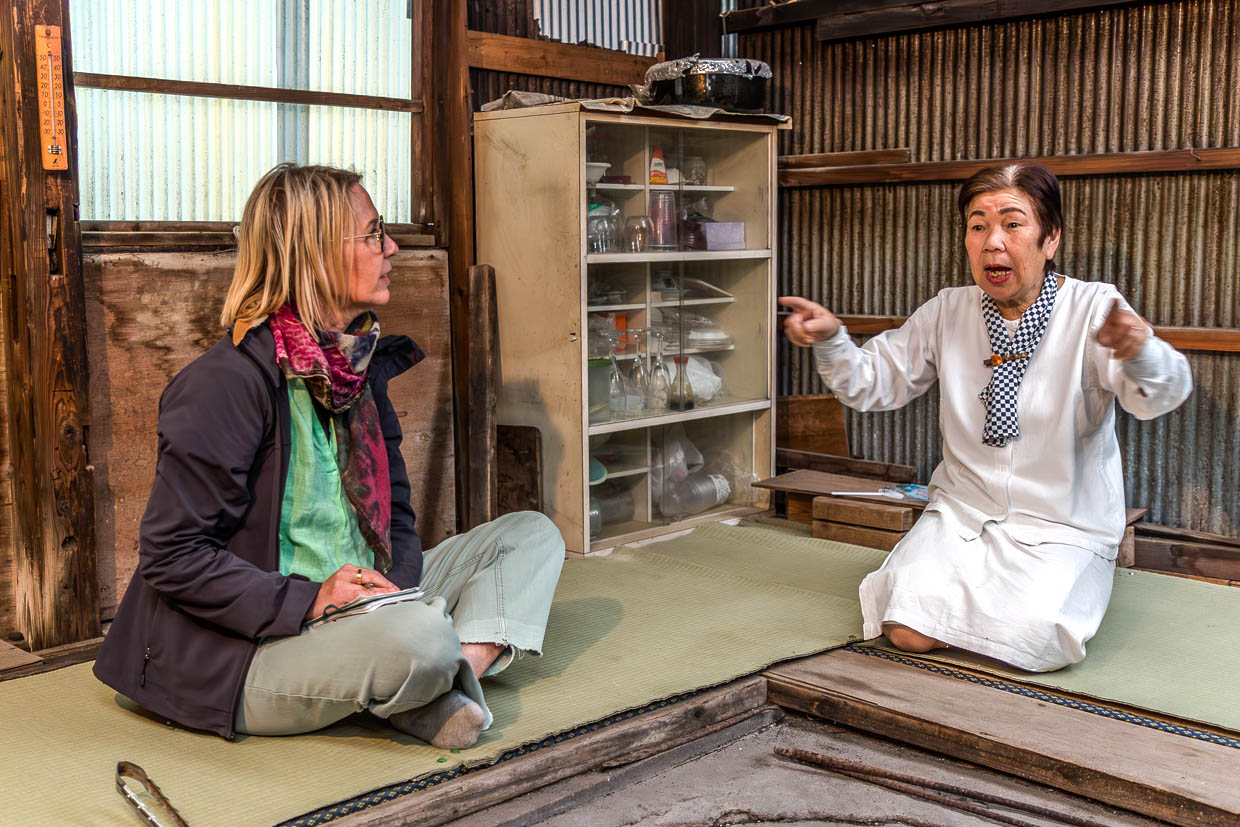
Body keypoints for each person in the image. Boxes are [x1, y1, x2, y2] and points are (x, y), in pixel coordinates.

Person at [94, 164, 565, 745]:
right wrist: (312, 599)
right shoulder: (227, 384)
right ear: (313, 253)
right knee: (418, 638)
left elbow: (396, 513)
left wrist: (398, 586)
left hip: (364, 604)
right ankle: (426, 672)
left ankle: (445, 675)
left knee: (531, 535)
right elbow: (173, 556)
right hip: (258, 643)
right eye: (373, 233)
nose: (391, 247)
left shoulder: (356, 369)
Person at [779, 162, 1192, 672]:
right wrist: (831, 340)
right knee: (904, 627)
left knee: (1035, 640)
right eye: (978, 226)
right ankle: (967, 602)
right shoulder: (948, 310)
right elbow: (872, 383)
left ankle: (1011, 603)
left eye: (1013, 224)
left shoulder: (1093, 308)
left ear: (1050, 239)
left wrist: (1141, 352)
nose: (992, 242)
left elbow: (1158, 395)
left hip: (1062, 523)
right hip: (963, 514)